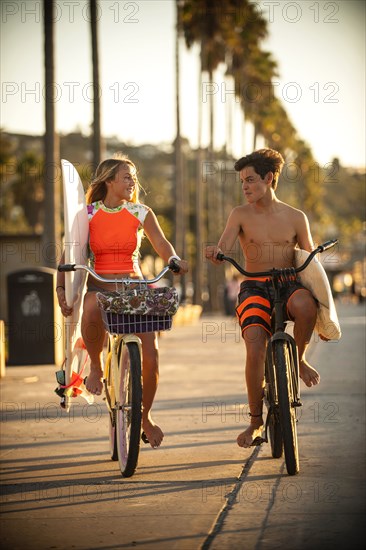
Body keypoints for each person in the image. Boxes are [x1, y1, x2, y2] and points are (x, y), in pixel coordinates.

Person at [57, 154, 188, 448]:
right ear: (109, 181)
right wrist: (61, 290)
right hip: (100, 286)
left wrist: (174, 259)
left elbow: (161, 243)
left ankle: (145, 417)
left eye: (134, 177)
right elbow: (68, 258)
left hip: (134, 287)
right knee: (92, 305)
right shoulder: (87, 214)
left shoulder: (141, 212)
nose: (133, 182)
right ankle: (95, 367)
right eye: (126, 176)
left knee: (151, 353)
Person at [206, 148, 324, 449]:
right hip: (254, 286)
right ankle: (256, 422)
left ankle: (297, 359)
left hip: (288, 282)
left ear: (269, 178)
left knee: (305, 306)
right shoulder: (239, 214)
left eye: (250, 180)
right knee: (256, 341)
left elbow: (309, 258)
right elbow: (224, 246)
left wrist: (318, 252)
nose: (244, 187)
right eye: (242, 181)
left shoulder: (296, 217)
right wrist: (217, 254)